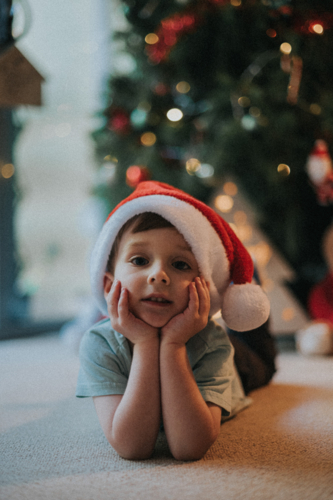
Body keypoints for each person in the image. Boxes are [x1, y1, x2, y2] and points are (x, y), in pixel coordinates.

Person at [76, 181, 275, 461]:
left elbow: (189, 447)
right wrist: (145, 343)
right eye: (140, 260)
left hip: (237, 364)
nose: (158, 275)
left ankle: (253, 285)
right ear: (109, 286)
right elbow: (132, 447)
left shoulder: (212, 343)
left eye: (180, 264)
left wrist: (173, 345)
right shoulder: (99, 344)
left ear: (204, 286)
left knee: (263, 360)